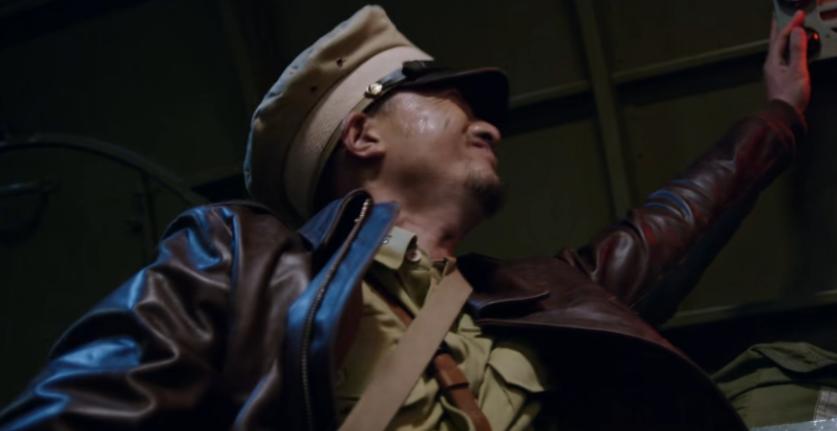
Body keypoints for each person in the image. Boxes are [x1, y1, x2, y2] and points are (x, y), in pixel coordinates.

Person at [0, 5, 812, 431]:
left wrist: (779, 117)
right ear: (361, 134)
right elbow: (79, 412)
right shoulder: (242, 258)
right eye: (450, 100)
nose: (488, 125)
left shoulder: (537, 298)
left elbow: (671, 224)